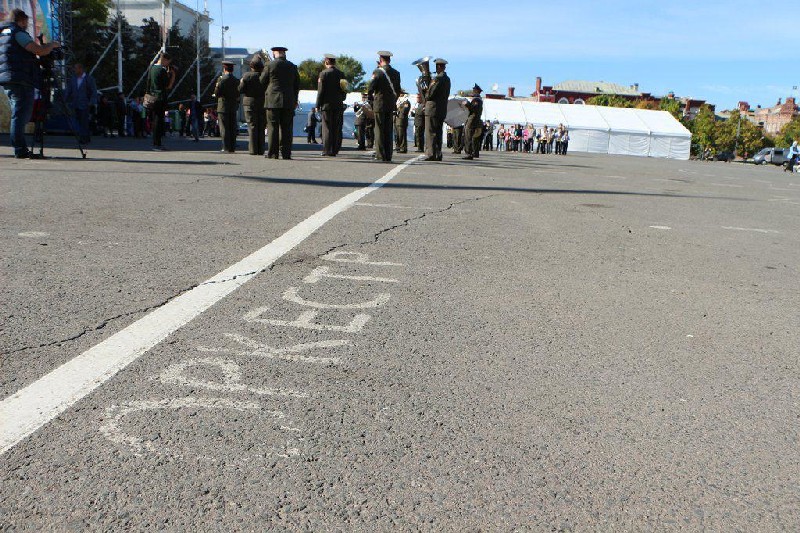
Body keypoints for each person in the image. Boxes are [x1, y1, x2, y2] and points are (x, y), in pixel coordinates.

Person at [0, 8, 61, 158]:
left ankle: (19, 148)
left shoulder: (3, 34)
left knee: (18, 114)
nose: (27, 25)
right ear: (21, 20)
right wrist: (51, 46)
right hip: (20, 78)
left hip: (8, 78)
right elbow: (38, 50)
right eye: (26, 22)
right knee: (21, 115)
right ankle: (20, 150)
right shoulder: (18, 33)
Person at [261, 46, 299, 160]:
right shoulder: (292, 66)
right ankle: (286, 153)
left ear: (274, 53)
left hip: (273, 100)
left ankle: (273, 153)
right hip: (288, 100)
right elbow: (296, 85)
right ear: (284, 53)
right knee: (287, 128)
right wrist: (295, 100)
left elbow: (262, 81)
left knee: (273, 127)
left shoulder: (270, 65)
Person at [367, 50, 401, 162]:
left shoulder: (377, 72)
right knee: (388, 130)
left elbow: (370, 88)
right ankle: (388, 155)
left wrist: (371, 101)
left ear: (381, 59)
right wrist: (393, 101)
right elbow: (398, 90)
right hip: (390, 105)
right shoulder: (396, 73)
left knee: (379, 130)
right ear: (389, 60)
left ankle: (380, 155)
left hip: (379, 105)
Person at [316, 54, 345, 156]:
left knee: (327, 127)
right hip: (338, 104)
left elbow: (320, 91)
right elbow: (344, 89)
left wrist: (317, 105)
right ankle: (335, 149)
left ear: (326, 62)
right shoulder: (341, 74)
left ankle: (327, 150)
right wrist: (342, 99)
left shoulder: (323, 74)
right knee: (336, 128)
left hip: (326, 105)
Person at [146, 52, 175, 151]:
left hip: (152, 97)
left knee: (155, 120)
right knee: (159, 121)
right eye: (168, 62)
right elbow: (168, 86)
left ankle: (156, 142)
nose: (168, 64)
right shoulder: (161, 70)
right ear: (164, 60)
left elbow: (148, 83)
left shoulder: (152, 68)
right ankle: (157, 143)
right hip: (160, 98)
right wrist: (172, 76)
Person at [63, 62, 97, 144]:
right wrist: (64, 99)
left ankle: (83, 138)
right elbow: (69, 90)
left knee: (84, 121)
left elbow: (93, 91)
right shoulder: (73, 79)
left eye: (76, 68)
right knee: (79, 121)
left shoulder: (89, 79)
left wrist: (91, 102)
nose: (74, 70)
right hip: (76, 104)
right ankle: (86, 136)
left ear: (81, 69)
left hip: (85, 104)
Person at [423, 58, 450, 162]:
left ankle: (431, 154)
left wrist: (426, 88)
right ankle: (438, 154)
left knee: (430, 132)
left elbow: (430, 94)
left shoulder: (437, 79)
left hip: (433, 109)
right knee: (438, 132)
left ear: (438, 67)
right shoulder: (447, 79)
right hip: (441, 109)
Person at [239, 56, 265, 155]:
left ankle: (253, 149)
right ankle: (261, 149)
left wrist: (241, 82)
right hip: (262, 102)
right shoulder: (264, 76)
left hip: (249, 103)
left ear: (251, 66)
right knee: (261, 126)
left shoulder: (246, 76)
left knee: (252, 126)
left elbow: (240, 90)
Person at [214, 60, 239, 153]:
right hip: (233, 106)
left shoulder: (221, 80)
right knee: (232, 127)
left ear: (224, 69)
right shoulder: (236, 80)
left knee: (224, 127)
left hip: (223, 106)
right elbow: (237, 93)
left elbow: (217, 93)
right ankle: (232, 147)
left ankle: (225, 147)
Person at [462, 84, 483, 160]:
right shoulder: (478, 99)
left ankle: (468, 153)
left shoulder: (476, 100)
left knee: (468, 136)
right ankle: (473, 153)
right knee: (472, 137)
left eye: (474, 90)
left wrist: (467, 104)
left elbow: (473, 109)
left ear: (477, 91)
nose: (473, 92)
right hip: (473, 119)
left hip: (472, 119)